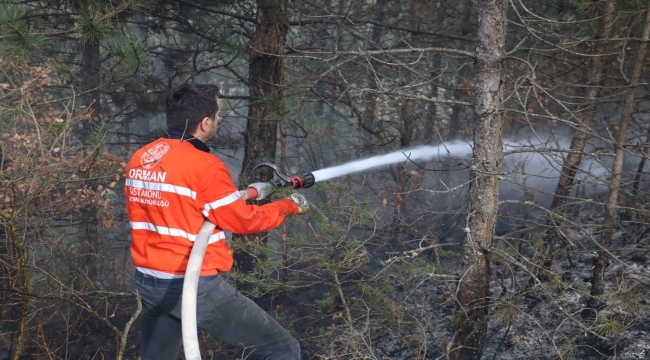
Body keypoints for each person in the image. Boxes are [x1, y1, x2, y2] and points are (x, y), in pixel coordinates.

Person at [125, 83, 304, 360]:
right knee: (281, 349)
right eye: (218, 116)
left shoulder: (143, 157)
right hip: (193, 285)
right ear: (205, 122)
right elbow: (244, 221)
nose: (219, 121)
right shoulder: (204, 165)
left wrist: (250, 192)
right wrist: (289, 206)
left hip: (148, 281)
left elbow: (185, 206)